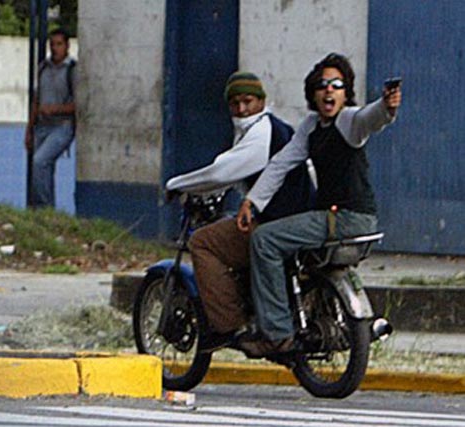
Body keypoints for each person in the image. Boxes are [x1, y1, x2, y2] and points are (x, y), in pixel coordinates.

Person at [235, 53, 402, 357]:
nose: (329, 90)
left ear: (345, 92)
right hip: (342, 220)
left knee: (264, 240)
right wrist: (252, 201)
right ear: (313, 92)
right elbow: (281, 164)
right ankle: (311, 314)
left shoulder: (349, 121)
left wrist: (386, 107)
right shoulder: (311, 126)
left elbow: (370, 118)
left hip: (346, 219)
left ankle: (276, 334)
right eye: (323, 85)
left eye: (337, 85)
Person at [165, 71, 314, 352]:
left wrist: (178, 184)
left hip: (275, 223)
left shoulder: (261, 134)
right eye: (235, 103)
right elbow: (238, 173)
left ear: (262, 101)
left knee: (203, 242)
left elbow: (223, 171)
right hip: (298, 218)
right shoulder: (276, 129)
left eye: (248, 101)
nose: (242, 109)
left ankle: (228, 326)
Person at [25, 28, 77, 208]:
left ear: (67, 46)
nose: (55, 49)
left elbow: (78, 106)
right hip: (42, 126)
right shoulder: (44, 68)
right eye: (52, 45)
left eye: (59, 44)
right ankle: (48, 211)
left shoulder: (72, 70)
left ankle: (44, 208)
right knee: (42, 168)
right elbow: (36, 100)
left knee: (40, 161)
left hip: (62, 126)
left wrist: (55, 109)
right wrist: (29, 129)